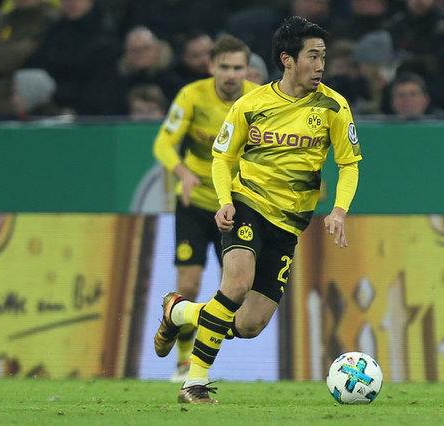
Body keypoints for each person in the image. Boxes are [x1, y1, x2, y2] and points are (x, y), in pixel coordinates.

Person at [154, 15, 362, 403]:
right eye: (312, 56)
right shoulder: (251, 104)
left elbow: (349, 163)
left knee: (249, 325)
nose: (320, 65)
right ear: (287, 60)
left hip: (289, 225)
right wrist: (226, 201)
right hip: (248, 205)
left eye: (323, 57)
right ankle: (194, 383)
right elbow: (222, 157)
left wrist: (339, 210)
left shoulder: (334, 106)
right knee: (235, 285)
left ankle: (178, 313)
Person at [152, 34, 258, 383]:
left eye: (237, 68)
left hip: (237, 205)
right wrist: (183, 173)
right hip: (195, 203)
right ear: (211, 66)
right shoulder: (192, 95)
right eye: (224, 67)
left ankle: (178, 314)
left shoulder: (258, 99)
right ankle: (185, 364)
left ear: (247, 69)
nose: (231, 75)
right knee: (190, 283)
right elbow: (163, 143)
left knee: (239, 299)